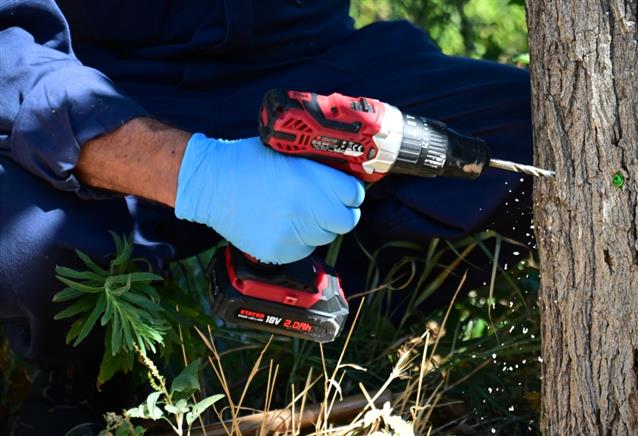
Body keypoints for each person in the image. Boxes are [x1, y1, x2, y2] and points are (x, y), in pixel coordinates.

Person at [0, 0, 533, 432]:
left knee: (536, 144)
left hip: (313, 62)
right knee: (27, 234)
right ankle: (80, 378)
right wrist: (198, 174)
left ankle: (367, 315)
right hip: (103, 84)